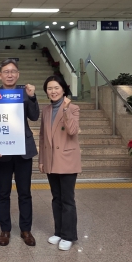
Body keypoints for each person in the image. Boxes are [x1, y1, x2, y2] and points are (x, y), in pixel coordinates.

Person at [0, 59, 40, 247]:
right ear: (0, 75)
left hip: (23, 150)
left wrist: (33, 97)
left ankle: (26, 230)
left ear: (18, 74)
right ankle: (5, 230)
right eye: (6, 71)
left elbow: (34, 117)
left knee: (24, 193)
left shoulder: (25, 94)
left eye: (13, 71)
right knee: (3, 193)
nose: (10, 74)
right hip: (2, 151)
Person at [39, 75, 81, 252]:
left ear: (63, 89)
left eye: (56, 88)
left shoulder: (73, 108)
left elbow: (72, 130)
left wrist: (65, 109)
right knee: (56, 198)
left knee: (67, 200)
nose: (53, 91)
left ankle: (68, 235)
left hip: (67, 160)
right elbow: (42, 137)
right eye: (49, 88)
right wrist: (42, 160)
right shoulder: (46, 110)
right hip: (50, 160)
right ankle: (58, 231)